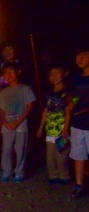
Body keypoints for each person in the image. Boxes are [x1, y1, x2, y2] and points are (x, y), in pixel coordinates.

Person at [0, 62, 36, 183]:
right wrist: (5, 122)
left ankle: (19, 172)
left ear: (18, 72)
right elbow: (1, 109)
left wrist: (18, 121)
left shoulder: (25, 89)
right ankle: (7, 172)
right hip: (7, 125)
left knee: (20, 149)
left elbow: (30, 106)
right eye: (5, 73)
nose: (8, 75)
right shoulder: (4, 92)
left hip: (21, 125)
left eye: (11, 71)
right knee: (6, 149)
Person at [0, 45, 21, 171]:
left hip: (15, 104)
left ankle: (14, 162)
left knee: (15, 133)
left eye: (10, 49)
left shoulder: (20, 67)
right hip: (0, 103)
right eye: (5, 50)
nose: (7, 52)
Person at [36, 66, 71, 184]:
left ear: (65, 73)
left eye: (57, 73)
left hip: (62, 131)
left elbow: (68, 111)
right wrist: (41, 128)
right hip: (50, 131)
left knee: (62, 155)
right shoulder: (49, 93)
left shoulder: (69, 92)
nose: (54, 76)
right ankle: (53, 175)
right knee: (50, 156)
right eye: (51, 73)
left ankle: (64, 176)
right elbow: (45, 111)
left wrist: (66, 129)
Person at [64, 46, 89, 199]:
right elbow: (70, 97)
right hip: (77, 123)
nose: (80, 58)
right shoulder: (76, 78)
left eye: (84, 55)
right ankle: (79, 184)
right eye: (78, 55)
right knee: (79, 155)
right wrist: (71, 103)